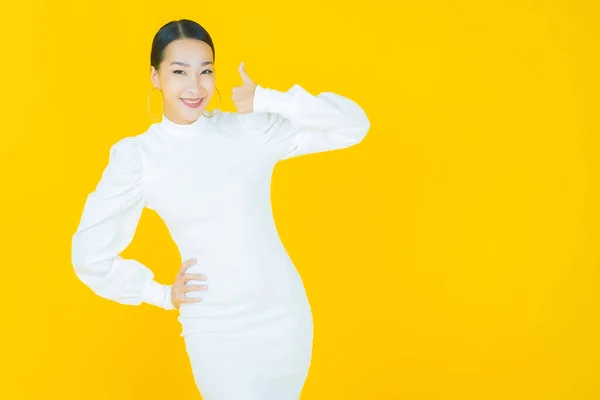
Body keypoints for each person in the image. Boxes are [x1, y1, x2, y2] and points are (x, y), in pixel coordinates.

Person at [71, 18, 370, 400]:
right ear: (155, 76)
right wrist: (160, 294)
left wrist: (268, 99)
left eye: (206, 71)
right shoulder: (139, 156)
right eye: (179, 72)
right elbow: (90, 255)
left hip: (282, 316)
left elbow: (353, 126)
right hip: (215, 325)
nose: (195, 87)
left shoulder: (249, 129)